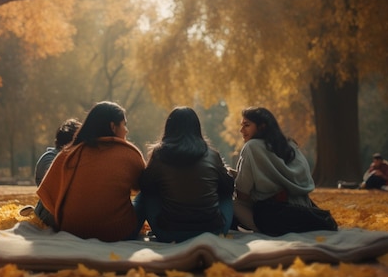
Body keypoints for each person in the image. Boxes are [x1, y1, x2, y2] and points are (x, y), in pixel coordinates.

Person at [35, 101, 146, 242]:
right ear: (113, 127)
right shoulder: (129, 152)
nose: (126, 130)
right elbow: (142, 186)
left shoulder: (69, 153)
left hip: (71, 231)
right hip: (117, 234)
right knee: (146, 195)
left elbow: (47, 194)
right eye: (124, 124)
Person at [136, 107, 234, 243]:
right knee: (225, 190)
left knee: (147, 193)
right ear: (197, 128)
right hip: (213, 232)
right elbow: (228, 188)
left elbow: (145, 185)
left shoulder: (159, 155)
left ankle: (135, 227)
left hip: (167, 234)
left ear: (169, 128)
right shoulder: (212, 155)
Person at [232, 107, 320, 234]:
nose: (241, 130)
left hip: (275, 217)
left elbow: (242, 194)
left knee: (232, 204)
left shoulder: (251, 147)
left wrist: (233, 179)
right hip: (303, 211)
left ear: (262, 127)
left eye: (246, 125)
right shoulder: (290, 145)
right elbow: (301, 180)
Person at [19, 118, 82, 226]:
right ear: (70, 141)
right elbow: (55, 184)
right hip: (49, 214)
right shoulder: (48, 159)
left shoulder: (78, 158)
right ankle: (34, 213)